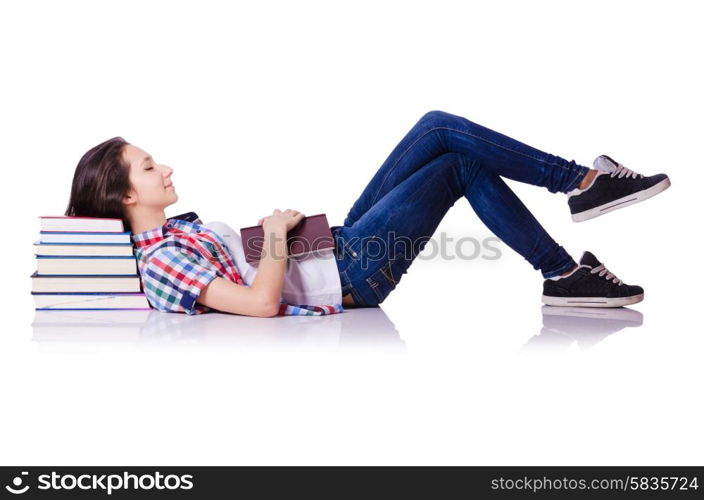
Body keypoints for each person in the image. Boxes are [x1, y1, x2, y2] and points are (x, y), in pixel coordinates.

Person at [65, 110, 670, 317]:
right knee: (459, 166)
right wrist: (275, 234)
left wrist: (280, 237)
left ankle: (578, 208)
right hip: (352, 274)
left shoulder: (171, 232)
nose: (164, 168)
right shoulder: (160, 261)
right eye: (148, 168)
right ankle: (574, 218)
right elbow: (258, 305)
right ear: (124, 198)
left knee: (437, 128)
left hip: (338, 243)